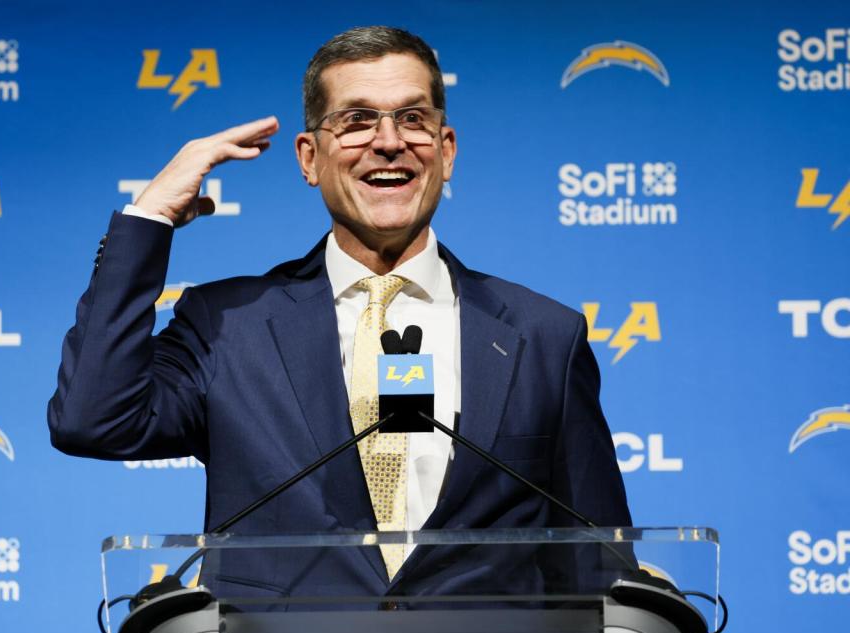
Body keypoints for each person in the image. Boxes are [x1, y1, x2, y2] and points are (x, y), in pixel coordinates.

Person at [48, 26, 631, 602]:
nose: (388, 141)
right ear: (310, 158)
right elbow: (94, 419)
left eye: (412, 118)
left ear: (445, 151)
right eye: (356, 120)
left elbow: (597, 562)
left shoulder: (543, 335)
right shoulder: (227, 323)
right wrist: (147, 221)